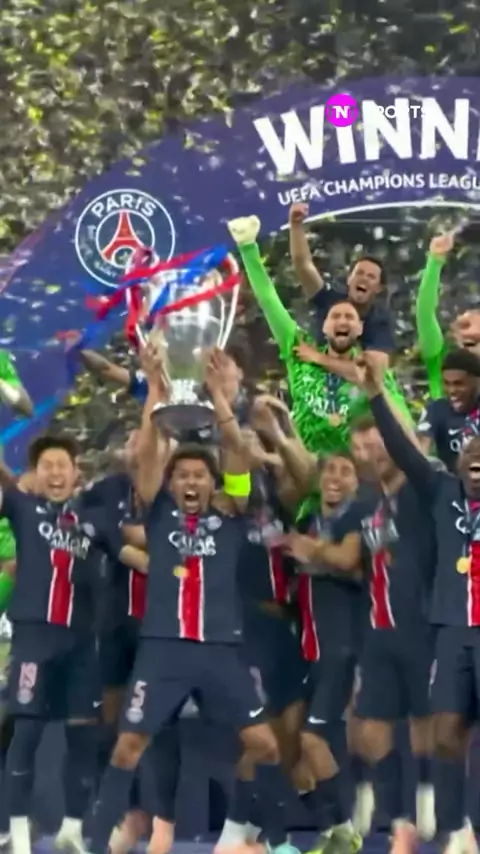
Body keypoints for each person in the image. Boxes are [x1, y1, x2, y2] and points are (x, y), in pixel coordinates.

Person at [88, 345, 297, 854]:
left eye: (199, 475)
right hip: (163, 649)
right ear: (172, 483)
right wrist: (155, 394)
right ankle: (96, 841)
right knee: (128, 745)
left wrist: (222, 398)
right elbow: (145, 458)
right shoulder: (158, 513)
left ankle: (270, 839)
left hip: (220, 650)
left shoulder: (232, 512)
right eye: (181, 475)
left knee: (266, 746)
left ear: (212, 483)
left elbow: (236, 452)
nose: (190, 481)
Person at [0, 433, 146, 854]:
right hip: (34, 640)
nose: (55, 473)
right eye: (46, 466)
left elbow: (129, 555)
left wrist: (178, 571)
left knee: (83, 736)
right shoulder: (21, 507)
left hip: (81, 643)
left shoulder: (94, 518)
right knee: (26, 733)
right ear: (35, 473)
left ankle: (70, 830)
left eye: (62, 465)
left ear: (75, 471)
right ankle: (18, 834)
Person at [358, 354, 480, 854]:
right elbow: (402, 448)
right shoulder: (441, 490)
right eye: (471, 459)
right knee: (446, 732)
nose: (476, 466)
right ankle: (458, 829)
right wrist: (375, 393)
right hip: (450, 630)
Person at [226, 215, 411, 456]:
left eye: (349, 317)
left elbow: (405, 427)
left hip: (357, 470)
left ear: (360, 329)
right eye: (336, 316)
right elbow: (269, 299)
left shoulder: (373, 374)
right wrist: (248, 247)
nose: (342, 321)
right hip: (307, 469)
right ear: (324, 327)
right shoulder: (299, 349)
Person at [283, 452, 363, 854]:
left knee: (313, 739)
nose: (335, 477)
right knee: (293, 748)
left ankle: (346, 832)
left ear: (357, 483)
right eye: (330, 469)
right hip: (305, 650)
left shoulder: (359, 519)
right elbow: (288, 564)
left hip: (339, 650)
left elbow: (350, 562)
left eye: (345, 471)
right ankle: (330, 828)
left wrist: (311, 552)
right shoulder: (308, 520)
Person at [288, 203, 394, 372]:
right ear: (349, 279)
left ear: (379, 288)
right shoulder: (329, 298)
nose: (364, 279)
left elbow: (374, 373)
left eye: (371, 276)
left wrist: (318, 358)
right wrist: (295, 225)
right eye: (359, 273)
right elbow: (303, 265)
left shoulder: (379, 322)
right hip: (315, 381)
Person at [415, 231, 480, 399]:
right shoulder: (440, 357)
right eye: (462, 326)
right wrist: (435, 261)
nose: (468, 333)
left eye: (469, 325)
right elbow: (425, 313)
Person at [416, 349, 480, 473]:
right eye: (447, 383)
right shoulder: (436, 409)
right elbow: (421, 446)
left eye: (459, 384)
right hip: (451, 482)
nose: (452, 391)